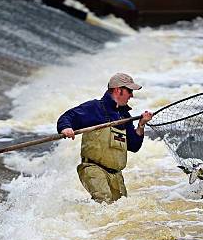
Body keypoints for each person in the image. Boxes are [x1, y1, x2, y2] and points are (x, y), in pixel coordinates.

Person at [57, 73, 153, 203]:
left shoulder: (125, 116)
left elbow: (134, 146)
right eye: (129, 91)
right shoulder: (94, 108)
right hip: (93, 169)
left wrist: (141, 125)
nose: (131, 95)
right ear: (118, 90)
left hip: (116, 174)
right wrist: (66, 128)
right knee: (104, 203)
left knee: (119, 212)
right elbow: (67, 117)